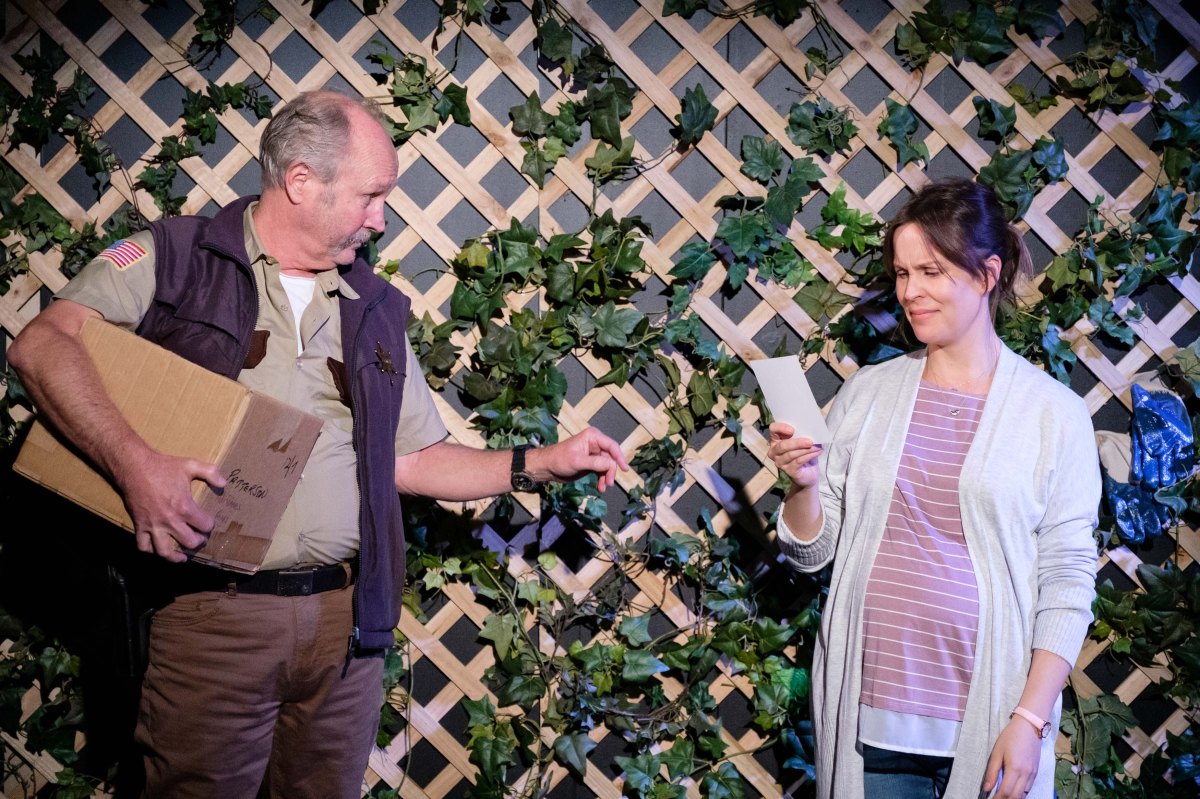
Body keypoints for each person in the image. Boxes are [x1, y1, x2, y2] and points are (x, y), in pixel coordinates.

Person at [7, 89, 629, 799]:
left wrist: (541, 462)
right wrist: (135, 464)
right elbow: (41, 346)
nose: (381, 218)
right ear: (301, 181)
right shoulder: (175, 259)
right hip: (214, 616)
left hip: (345, 627)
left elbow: (413, 461)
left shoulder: (374, 307)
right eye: (371, 196)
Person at [766, 178, 1100, 799]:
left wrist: (1030, 720)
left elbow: (1068, 579)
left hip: (994, 723)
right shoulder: (868, 393)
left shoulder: (1054, 414)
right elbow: (811, 553)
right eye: (901, 273)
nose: (909, 291)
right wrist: (804, 486)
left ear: (987, 274)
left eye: (931, 271)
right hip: (871, 722)